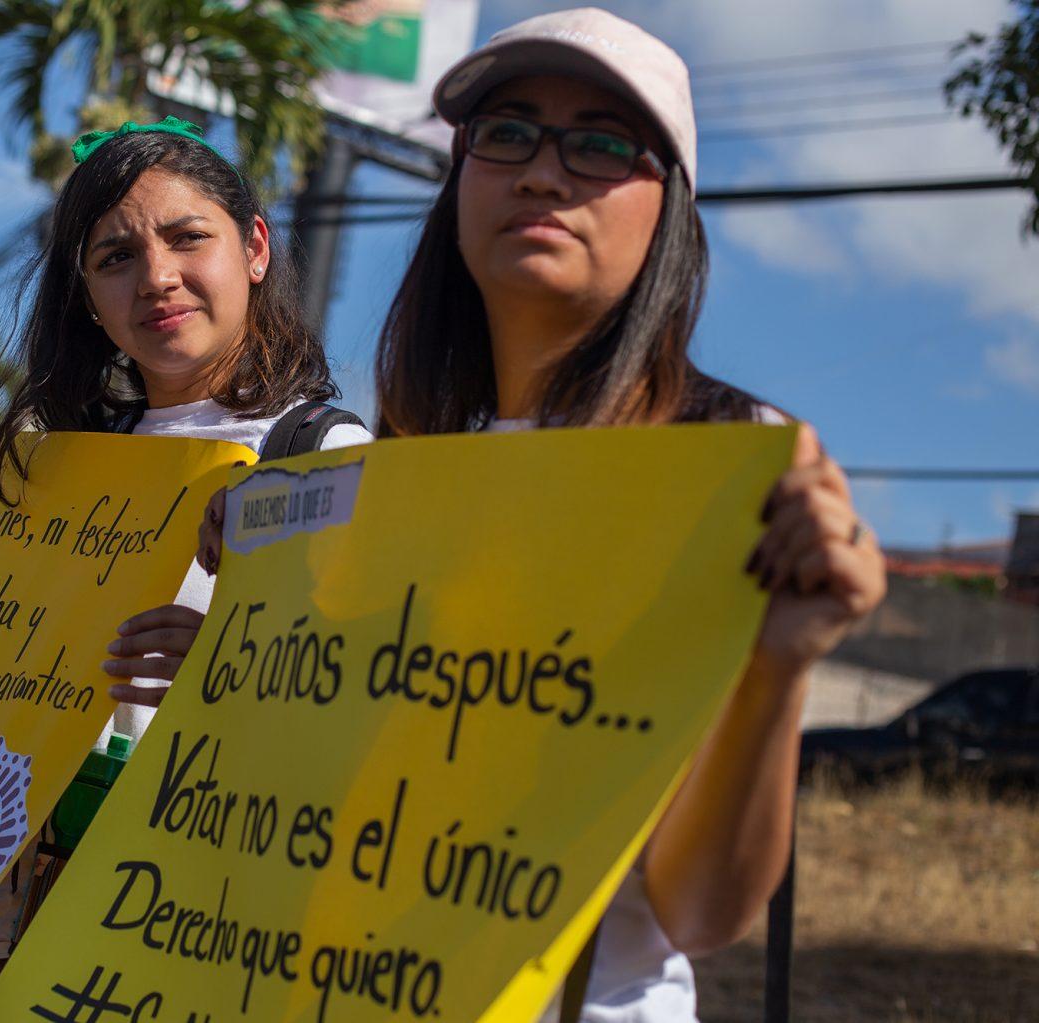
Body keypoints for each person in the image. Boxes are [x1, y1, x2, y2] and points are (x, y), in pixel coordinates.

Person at [199, 9, 886, 1021]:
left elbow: (697, 911)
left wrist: (781, 666)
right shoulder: (397, 470)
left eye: (604, 145)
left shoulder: (733, 465)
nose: (544, 174)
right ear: (461, 176)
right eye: (507, 133)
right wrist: (237, 635)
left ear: (672, 212)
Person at [0, 116, 371, 1022]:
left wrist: (225, 669)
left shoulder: (324, 455)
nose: (155, 276)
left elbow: (359, 709)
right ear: (86, 295)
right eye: (114, 256)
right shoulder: (68, 463)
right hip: (0, 905)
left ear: (254, 247)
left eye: (187, 236)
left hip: (180, 913)